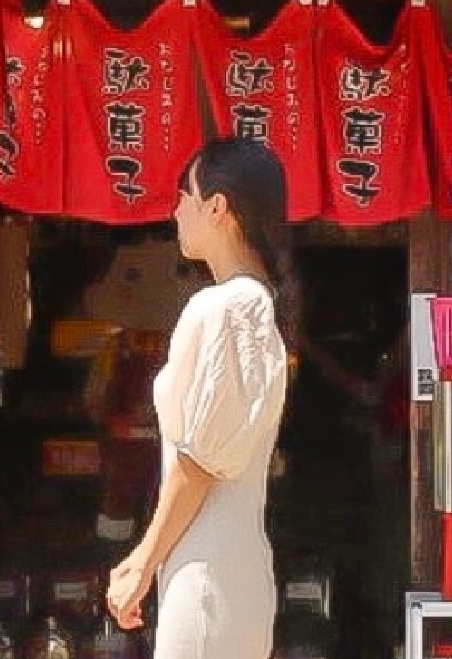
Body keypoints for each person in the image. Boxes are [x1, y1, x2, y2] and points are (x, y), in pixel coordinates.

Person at [105, 138, 293, 659]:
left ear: (218, 207)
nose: (175, 210)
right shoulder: (255, 305)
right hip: (230, 563)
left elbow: (200, 460)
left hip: (206, 567)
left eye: (184, 196)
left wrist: (142, 560)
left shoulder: (226, 307)